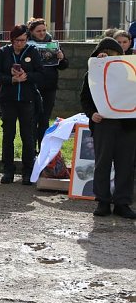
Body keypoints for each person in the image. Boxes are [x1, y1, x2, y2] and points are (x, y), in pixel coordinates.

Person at [79, 37, 136, 218]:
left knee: (126, 165)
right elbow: (85, 99)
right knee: (102, 164)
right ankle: (102, 201)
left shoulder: (129, 72)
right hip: (103, 124)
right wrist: (91, 114)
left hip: (128, 125)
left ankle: (122, 202)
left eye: (114, 55)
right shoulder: (92, 74)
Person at [0, 24, 45, 185]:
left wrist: (26, 76)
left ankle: (27, 171)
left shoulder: (32, 52)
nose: (20, 43)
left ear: (27, 39)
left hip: (27, 100)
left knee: (27, 136)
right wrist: (12, 79)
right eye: (17, 41)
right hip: (8, 99)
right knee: (8, 135)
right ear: (12, 40)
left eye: (23, 40)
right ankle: (8, 170)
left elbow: (41, 73)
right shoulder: (3, 52)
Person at [27, 18, 68, 151]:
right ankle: (31, 150)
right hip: (32, 86)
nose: (42, 33)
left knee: (44, 120)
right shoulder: (28, 45)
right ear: (32, 32)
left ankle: (43, 149)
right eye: (38, 31)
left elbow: (64, 66)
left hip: (49, 86)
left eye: (44, 30)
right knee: (32, 119)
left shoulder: (53, 44)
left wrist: (62, 58)